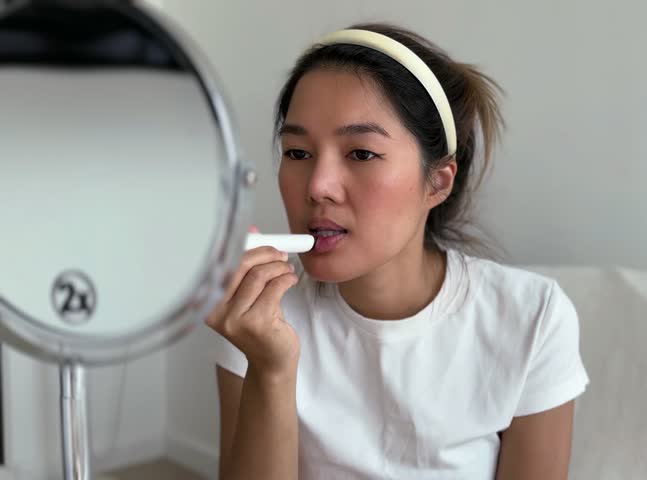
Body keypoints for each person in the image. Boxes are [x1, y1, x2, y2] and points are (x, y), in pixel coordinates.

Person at [206, 22, 589, 480]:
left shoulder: (531, 318)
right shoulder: (257, 314)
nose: (318, 187)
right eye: (297, 153)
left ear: (437, 181)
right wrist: (270, 369)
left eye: (361, 154)